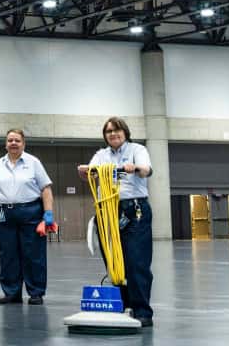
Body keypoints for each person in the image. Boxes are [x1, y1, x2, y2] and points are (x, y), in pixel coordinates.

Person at [77, 117, 154, 327]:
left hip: (133, 209)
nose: (113, 134)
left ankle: (142, 311)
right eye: (108, 131)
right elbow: (91, 175)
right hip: (107, 210)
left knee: (136, 261)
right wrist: (84, 172)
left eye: (117, 130)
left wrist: (135, 167)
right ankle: (122, 304)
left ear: (125, 132)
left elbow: (146, 169)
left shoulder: (137, 149)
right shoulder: (101, 155)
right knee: (113, 261)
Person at [0, 129, 55, 305]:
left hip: (31, 212)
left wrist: (48, 212)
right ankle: (12, 292)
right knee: (8, 255)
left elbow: (46, 189)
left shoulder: (33, 162)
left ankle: (36, 292)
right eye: (10, 140)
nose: (13, 143)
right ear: (6, 144)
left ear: (23, 143)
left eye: (17, 140)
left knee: (33, 254)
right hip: (4, 213)